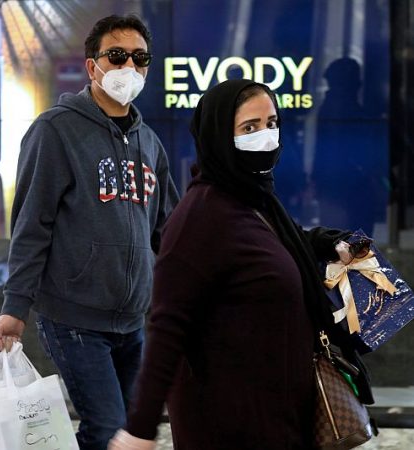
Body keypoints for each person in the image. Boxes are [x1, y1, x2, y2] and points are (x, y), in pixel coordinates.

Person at [108, 79, 373, 450]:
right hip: (232, 423)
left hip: (280, 415)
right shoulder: (199, 218)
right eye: (249, 128)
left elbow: (282, 241)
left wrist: (332, 243)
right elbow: (167, 328)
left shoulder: (255, 200)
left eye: (271, 123)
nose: (265, 136)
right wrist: (140, 428)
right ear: (218, 136)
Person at [0, 14, 179, 450]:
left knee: (130, 431)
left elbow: (168, 232)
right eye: (117, 56)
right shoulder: (54, 130)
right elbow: (32, 225)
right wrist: (15, 306)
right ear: (92, 66)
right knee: (107, 427)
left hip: (132, 322)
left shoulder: (150, 143)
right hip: (73, 318)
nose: (129, 66)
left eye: (139, 58)